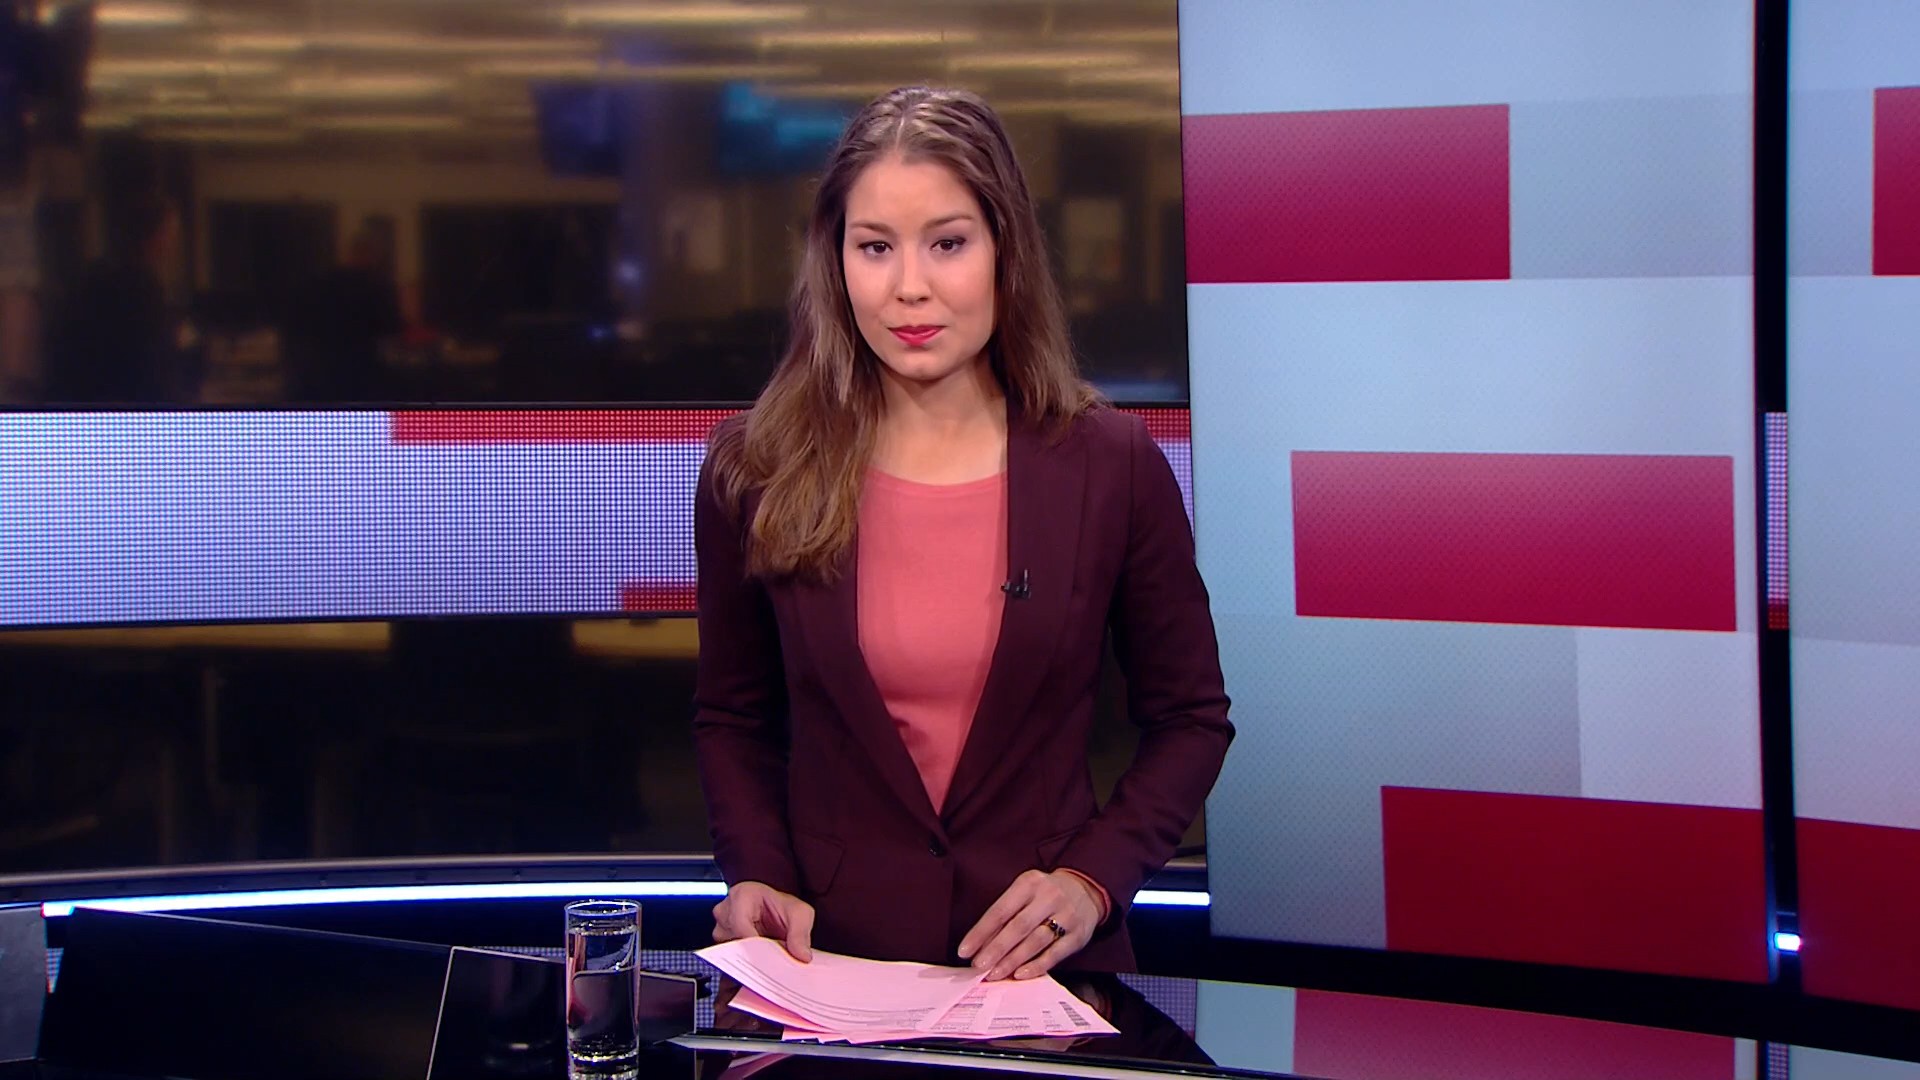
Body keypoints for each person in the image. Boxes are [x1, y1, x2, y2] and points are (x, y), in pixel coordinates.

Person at [692, 85, 1232, 984]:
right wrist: (756, 872)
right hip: (833, 965)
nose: (910, 286)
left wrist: (1091, 883)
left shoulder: (1110, 464)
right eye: (875, 247)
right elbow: (732, 717)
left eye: (947, 243)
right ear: (835, 261)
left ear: (1004, 251)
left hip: (1042, 975)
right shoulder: (755, 468)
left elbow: (1191, 720)